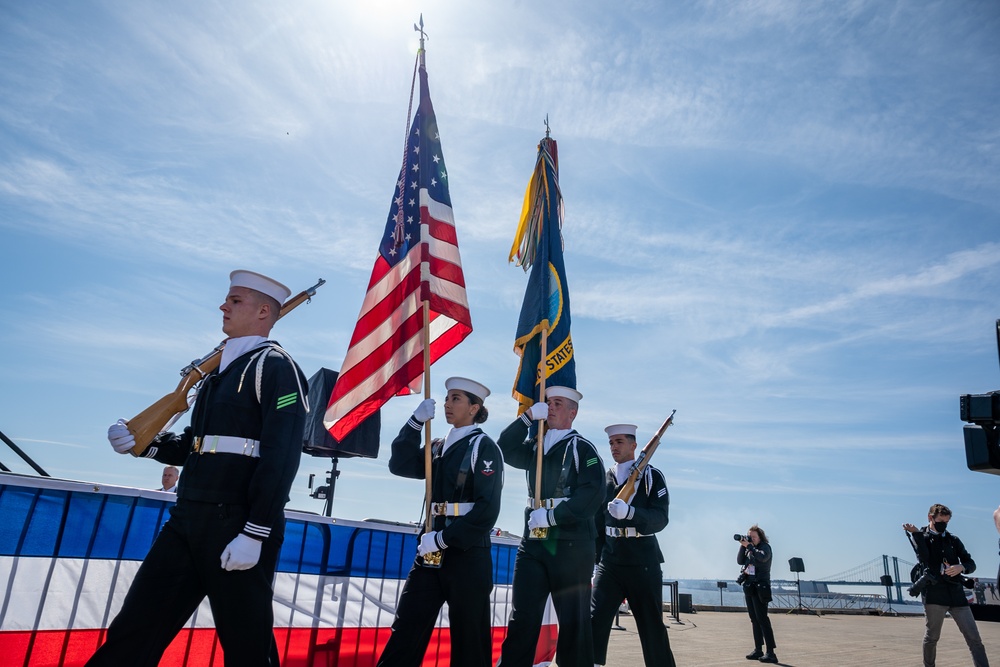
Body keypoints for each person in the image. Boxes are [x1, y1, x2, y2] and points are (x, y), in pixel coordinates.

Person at [87, 270, 309, 667]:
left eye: (235, 300)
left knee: (247, 648)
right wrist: (144, 444)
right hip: (187, 515)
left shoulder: (276, 367)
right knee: (133, 632)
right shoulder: (215, 373)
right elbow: (196, 444)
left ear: (263, 311)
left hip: (237, 522)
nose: (224, 306)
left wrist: (255, 532)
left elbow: (282, 456)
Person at [376, 377, 503, 667]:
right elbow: (400, 464)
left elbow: (487, 510)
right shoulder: (437, 446)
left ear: (474, 408)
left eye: (455, 398)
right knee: (407, 628)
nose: (447, 403)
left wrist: (445, 538)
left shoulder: (483, 447)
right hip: (430, 550)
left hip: (466, 553)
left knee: (470, 639)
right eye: (447, 398)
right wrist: (414, 423)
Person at [496, 386, 605, 667]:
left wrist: (554, 516)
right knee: (523, 617)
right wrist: (528, 416)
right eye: (547, 402)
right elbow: (504, 448)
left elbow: (593, 493)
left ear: (573, 412)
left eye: (557, 403)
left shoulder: (583, 448)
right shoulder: (537, 445)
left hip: (571, 544)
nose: (551, 407)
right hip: (533, 542)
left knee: (573, 621)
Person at [591, 423, 675, 667]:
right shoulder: (604, 478)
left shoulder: (651, 477)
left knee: (651, 627)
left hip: (643, 562)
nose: (614, 447)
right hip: (610, 561)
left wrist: (631, 513)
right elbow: (597, 524)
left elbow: (660, 518)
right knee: (594, 620)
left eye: (619, 442)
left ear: (634, 445)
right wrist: (596, 560)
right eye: (611, 442)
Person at [904, 503, 990, 667]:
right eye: (941, 521)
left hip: (957, 595)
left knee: (974, 638)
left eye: (947, 522)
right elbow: (923, 558)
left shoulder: (953, 540)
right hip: (934, 595)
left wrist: (961, 567)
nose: (944, 525)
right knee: (932, 638)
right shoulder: (921, 537)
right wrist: (916, 534)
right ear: (931, 518)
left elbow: (970, 563)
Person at [737, 525, 777, 664]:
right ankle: (758, 649)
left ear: (760, 537)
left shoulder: (765, 547)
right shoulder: (749, 549)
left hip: (761, 587)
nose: (751, 539)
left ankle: (771, 652)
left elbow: (763, 558)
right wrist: (743, 546)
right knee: (754, 619)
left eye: (753, 537)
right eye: (750, 537)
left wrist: (750, 547)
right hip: (750, 587)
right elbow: (740, 561)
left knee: (762, 619)